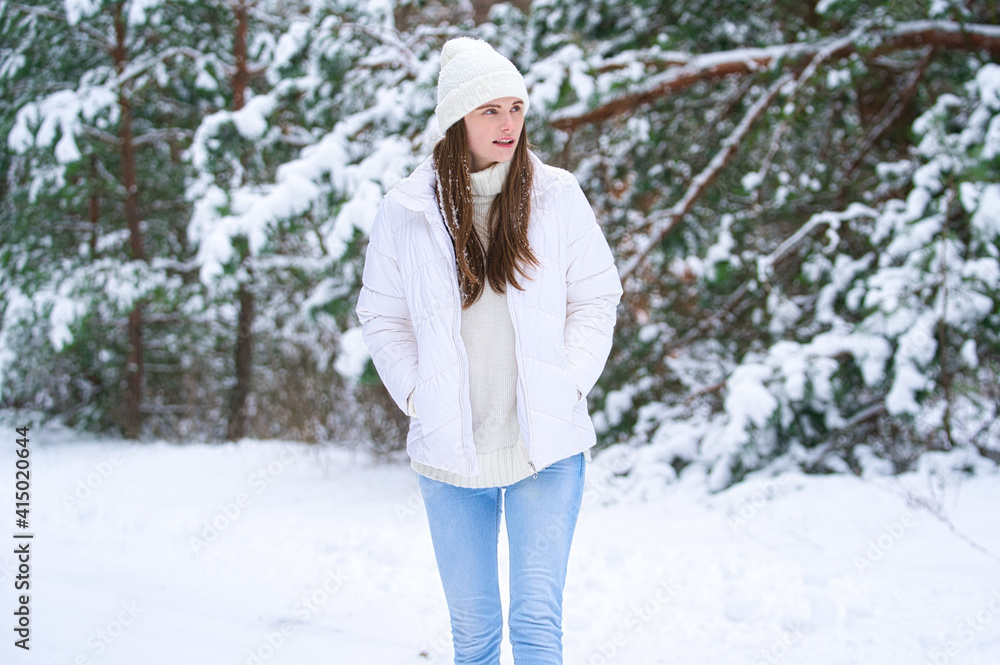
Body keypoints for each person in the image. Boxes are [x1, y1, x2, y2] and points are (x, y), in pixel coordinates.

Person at [356, 36, 622, 665]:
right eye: (490, 111)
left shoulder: (556, 195)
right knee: (474, 640)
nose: (508, 125)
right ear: (457, 120)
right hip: (452, 454)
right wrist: (419, 395)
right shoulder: (409, 210)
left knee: (536, 631)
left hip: (546, 448)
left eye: (516, 108)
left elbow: (596, 298)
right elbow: (382, 316)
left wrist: (570, 380)